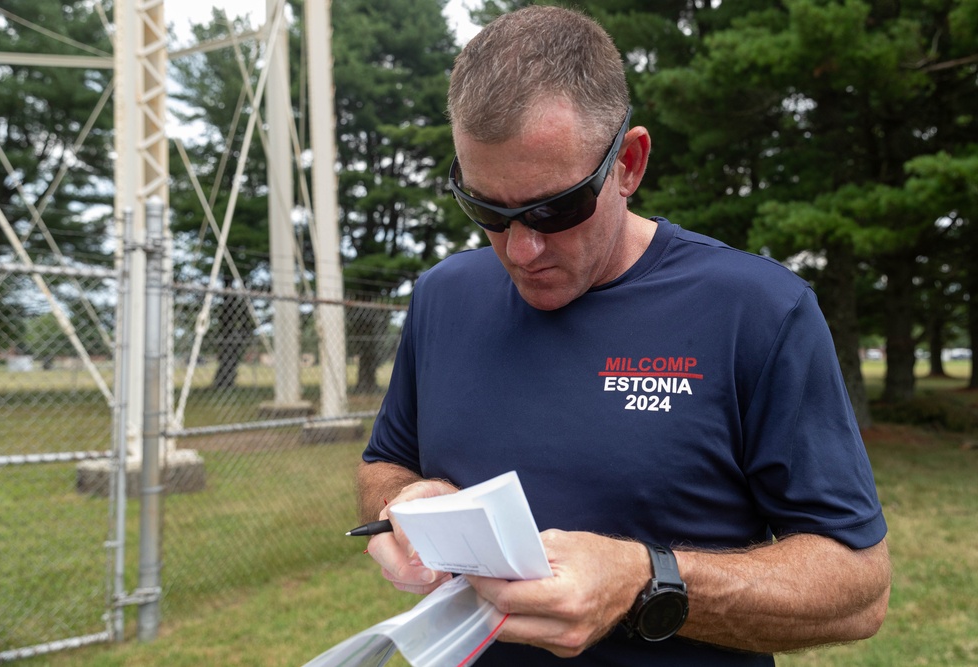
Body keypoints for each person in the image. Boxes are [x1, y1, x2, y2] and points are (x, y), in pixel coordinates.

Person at [356, 5, 890, 666]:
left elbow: (860, 587)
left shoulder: (756, 310)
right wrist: (405, 499)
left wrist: (647, 581)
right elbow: (384, 463)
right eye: (485, 209)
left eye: (556, 208)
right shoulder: (443, 296)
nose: (520, 248)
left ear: (629, 164)